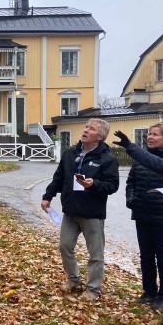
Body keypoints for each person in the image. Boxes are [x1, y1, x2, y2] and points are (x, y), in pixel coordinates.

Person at [41, 118, 120, 300]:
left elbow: (112, 185)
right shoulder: (71, 153)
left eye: (91, 129)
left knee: (95, 254)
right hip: (70, 211)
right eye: (86, 127)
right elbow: (59, 178)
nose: (85, 130)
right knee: (65, 246)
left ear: (99, 137)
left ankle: (93, 289)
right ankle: (74, 280)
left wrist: (94, 184)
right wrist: (47, 196)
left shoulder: (106, 159)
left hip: (92, 213)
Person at [120, 124, 163, 311]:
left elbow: (155, 164)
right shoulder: (140, 160)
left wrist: (131, 147)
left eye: (155, 134)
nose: (150, 137)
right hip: (142, 214)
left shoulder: (156, 160)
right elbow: (131, 182)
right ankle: (149, 292)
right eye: (148, 133)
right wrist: (132, 199)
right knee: (146, 256)